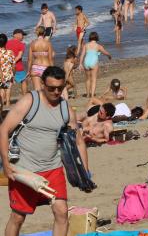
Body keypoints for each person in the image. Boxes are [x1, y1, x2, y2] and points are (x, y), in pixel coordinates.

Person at [0, 66, 90, 236]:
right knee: (18, 217)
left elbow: (78, 141)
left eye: (60, 88)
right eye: (51, 88)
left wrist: (84, 173)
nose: (56, 92)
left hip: (53, 168)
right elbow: (4, 129)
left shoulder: (66, 109)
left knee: (61, 212)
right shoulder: (29, 101)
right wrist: (6, 164)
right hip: (25, 169)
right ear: (42, 84)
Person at [78, 32, 112, 99]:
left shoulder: (86, 45)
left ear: (90, 37)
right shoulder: (98, 46)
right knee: (94, 79)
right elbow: (105, 52)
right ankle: (92, 95)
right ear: (97, 37)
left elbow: (82, 55)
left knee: (87, 79)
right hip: (94, 63)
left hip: (86, 62)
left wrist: (80, 64)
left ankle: (88, 94)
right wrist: (109, 56)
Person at [28, 27, 54, 91]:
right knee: (47, 89)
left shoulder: (32, 44)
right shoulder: (47, 43)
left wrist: (29, 71)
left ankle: (39, 100)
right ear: (44, 32)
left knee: (37, 90)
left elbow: (30, 59)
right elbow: (50, 59)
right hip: (46, 67)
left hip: (35, 67)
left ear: (36, 33)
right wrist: (53, 70)